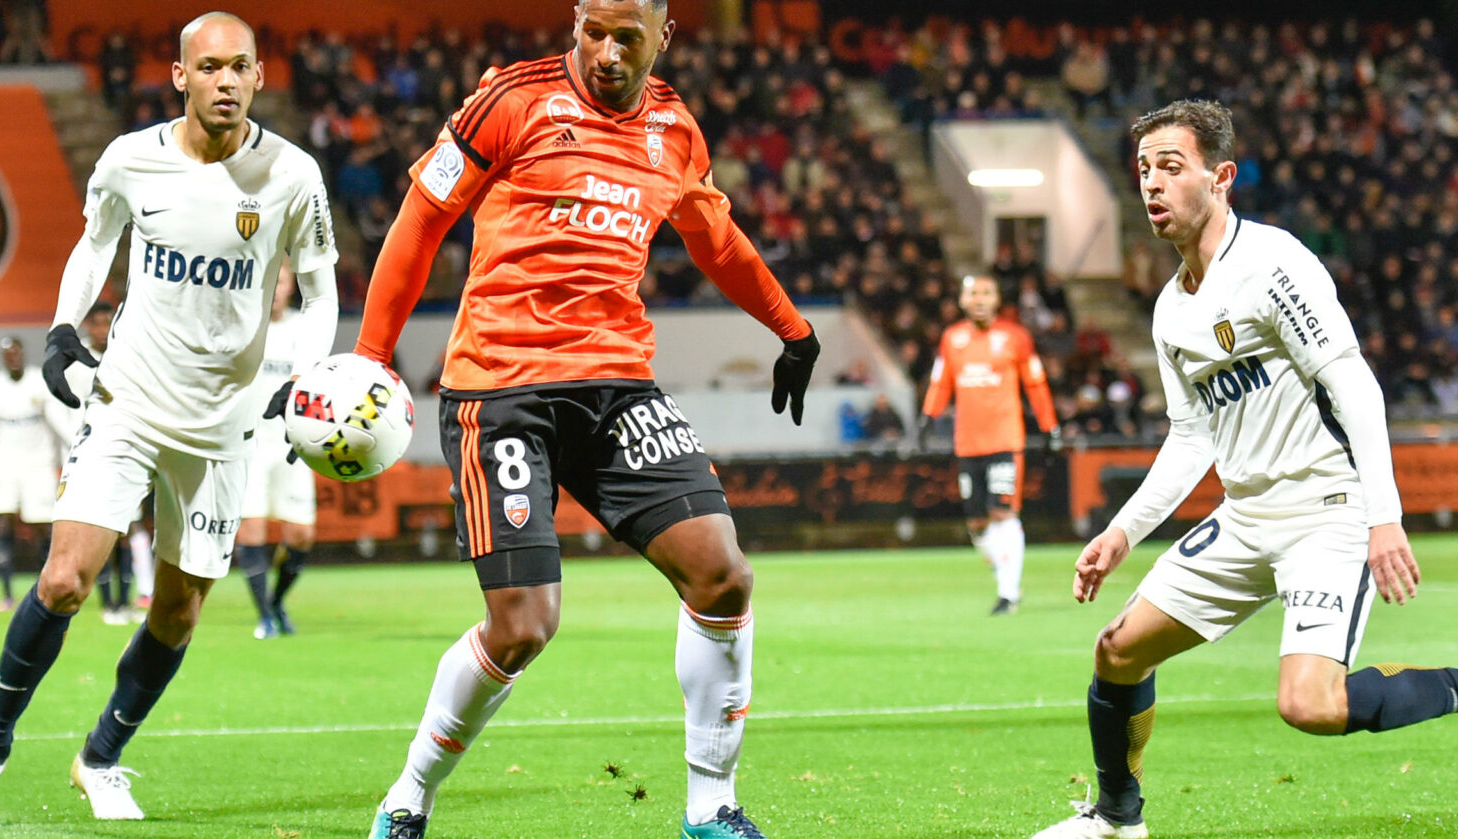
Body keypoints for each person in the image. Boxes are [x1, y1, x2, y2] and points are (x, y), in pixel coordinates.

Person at [351, 1, 819, 835]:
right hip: (503, 387)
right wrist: (372, 354)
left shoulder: (673, 127)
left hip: (615, 388)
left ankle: (712, 807)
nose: (605, 52)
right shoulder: (513, 100)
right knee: (524, 626)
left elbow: (715, 239)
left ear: (661, 38)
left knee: (723, 574)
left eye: (626, 38)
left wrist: (792, 326)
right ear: (576, 22)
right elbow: (423, 218)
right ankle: (408, 794)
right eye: (592, 32)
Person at [1029, 99, 1458, 839]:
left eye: (1171, 167)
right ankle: (1117, 819)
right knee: (1118, 649)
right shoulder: (1170, 310)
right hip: (1245, 515)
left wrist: (1384, 515)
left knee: (1310, 703)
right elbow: (1191, 436)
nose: (1152, 183)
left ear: (1222, 177)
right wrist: (1123, 530)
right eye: (1143, 169)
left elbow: (1353, 384)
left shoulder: (1274, 265)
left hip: (1325, 510)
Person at [0, 11, 338, 825]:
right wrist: (61, 327)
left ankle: (101, 757)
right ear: (180, 77)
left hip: (224, 424)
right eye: (210, 67)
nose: (227, 81)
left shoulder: (294, 176)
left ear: (259, 78)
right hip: (128, 400)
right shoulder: (129, 160)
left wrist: (307, 376)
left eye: (241, 67)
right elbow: (93, 246)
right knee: (64, 578)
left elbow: (322, 292)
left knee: (179, 611)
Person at [920, 274, 1058, 616]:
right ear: (962, 301)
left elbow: (1036, 383)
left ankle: (1008, 594)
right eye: (973, 294)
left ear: (997, 299)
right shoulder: (952, 339)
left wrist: (1050, 425)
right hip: (967, 443)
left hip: (1004, 441)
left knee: (1002, 512)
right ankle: (1006, 573)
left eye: (986, 293)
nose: (979, 299)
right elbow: (940, 382)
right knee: (977, 524)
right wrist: (927, 417)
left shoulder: (1015, 337)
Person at [237, 265, 325, 639]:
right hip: (251, 446)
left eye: (282, 282)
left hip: (292, 447)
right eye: (269, 281)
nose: (274, 290)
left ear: (292, 288)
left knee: (302, 535)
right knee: (252, 529)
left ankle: (276, 601)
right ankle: (264, 616)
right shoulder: (244, 329)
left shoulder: (304, 332)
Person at [45, 303, 142, 625]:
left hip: (123, 457)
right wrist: (80, 436)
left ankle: (124, 601)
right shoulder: (74, 361)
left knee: (123, 532)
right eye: (97, 323)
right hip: (83, 458)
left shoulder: (126, 355)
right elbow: (56, 409)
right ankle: (105, 603)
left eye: (107, 323)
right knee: (90, 529)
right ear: (87, 326)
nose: (102, 329)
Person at [0, 336, 59, 612]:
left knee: (43, 526)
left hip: (39, 464)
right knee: (3, 523)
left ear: (23, 352)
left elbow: (59, 420)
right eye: (7, 353)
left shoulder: (41, 381)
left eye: (15, 352)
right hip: (5, 465)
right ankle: (8, 594)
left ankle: (44, 589)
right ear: (2, 357)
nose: (12, 357)